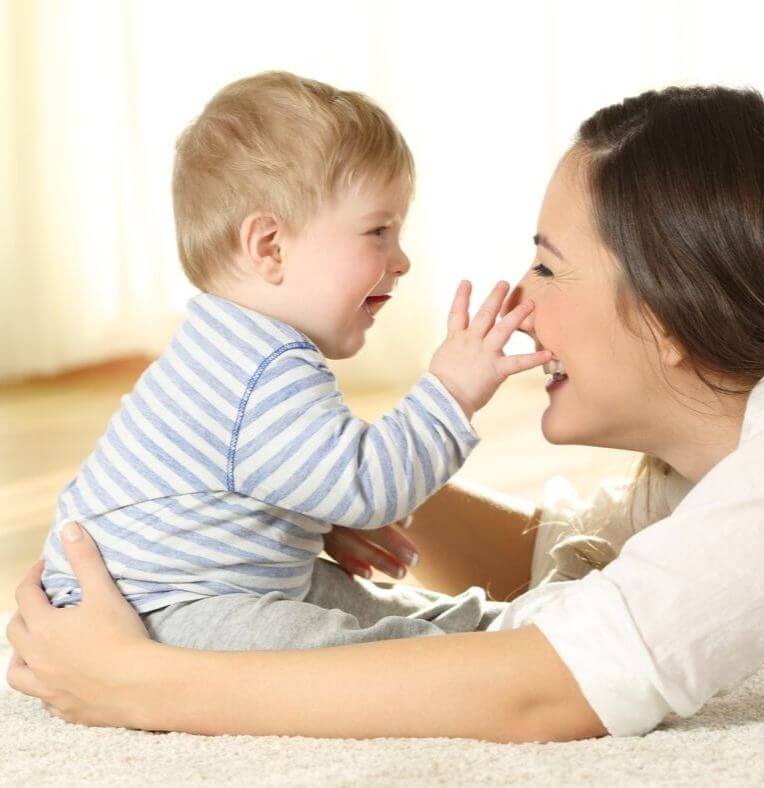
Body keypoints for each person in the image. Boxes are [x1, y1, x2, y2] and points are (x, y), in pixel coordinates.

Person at [9, 86, 764, 743]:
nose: (520, 303)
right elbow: (556, 563)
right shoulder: (726, 457)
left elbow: (554, 690)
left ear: (666, 312)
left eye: (545, 265)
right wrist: (300, 488)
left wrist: (147, 685)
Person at [37, 70, 551, 651]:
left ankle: (489, 628)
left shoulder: (228, 343)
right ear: (271, 247)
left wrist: (312, 521)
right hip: (153, 611)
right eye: (378, 231)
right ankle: (484, 646)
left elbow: (259, 484)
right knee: (333, 649)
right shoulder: (264, 365)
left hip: (188, 589)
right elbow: (367, 486)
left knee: (346, 600)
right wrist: (453, 389)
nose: (400, 259)